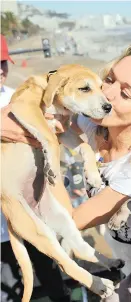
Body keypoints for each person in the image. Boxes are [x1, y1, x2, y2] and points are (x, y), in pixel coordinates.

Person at [0, 44, 131, 297]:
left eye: (125, 93)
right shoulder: (93, 122)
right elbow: (56, 79)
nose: (106, 94)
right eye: (108, 79)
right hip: (102, 258)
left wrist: (47, 148)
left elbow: (71, 220)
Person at [0, 34, 71, 302]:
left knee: (55, 283)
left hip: (35, 214)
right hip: (3, 230)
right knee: (12, 290)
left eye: (3, 62)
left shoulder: (17, 97)